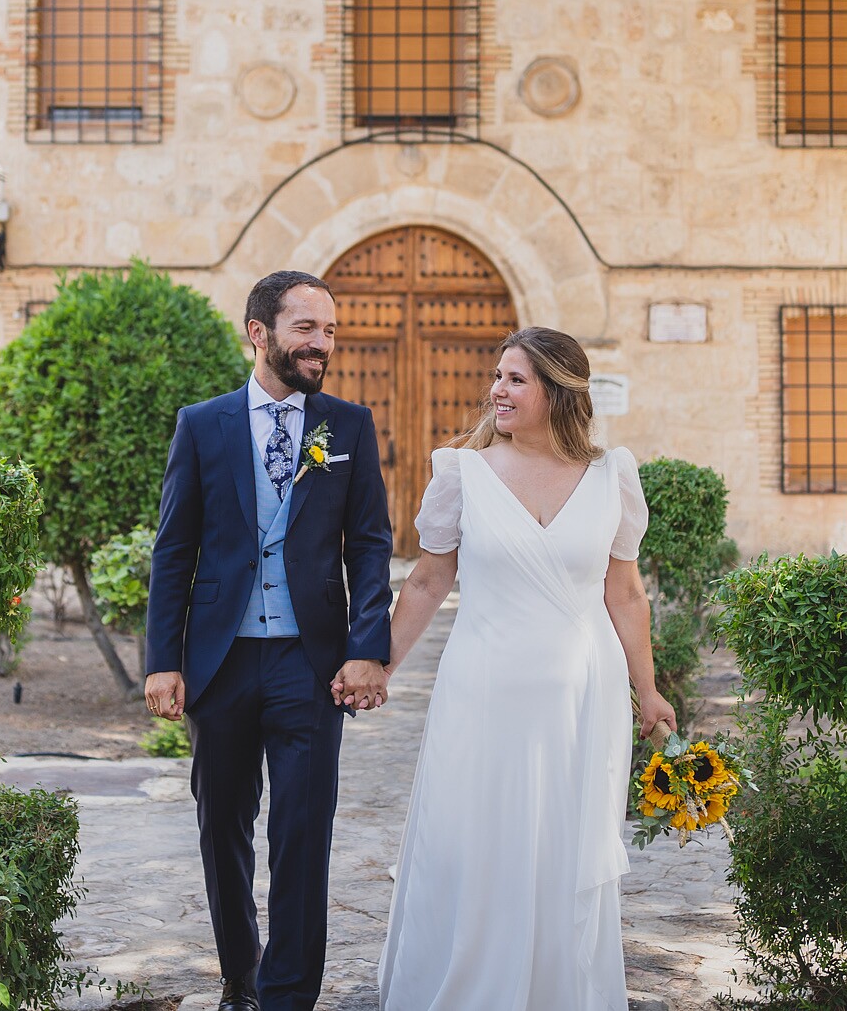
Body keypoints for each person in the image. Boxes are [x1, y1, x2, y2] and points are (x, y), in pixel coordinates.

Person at [375, 326, 678, 1011]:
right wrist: (380, 665)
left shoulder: (611, 476)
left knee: (565, 849)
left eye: (516, 379)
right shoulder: (464, 473)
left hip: (583, 698)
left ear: (558, 391)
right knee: (474, 838)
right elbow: (427, 580)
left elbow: (625, 592)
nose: (498, 390)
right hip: (482, 688)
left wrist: (649, 689)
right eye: (498, 376)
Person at [145, 269, 397, 1011]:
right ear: (260, 333)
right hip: (219, 662)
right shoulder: (203, 424)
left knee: (302, 833)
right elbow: (174, 550)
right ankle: (240, 977)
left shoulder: (347, 426)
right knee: (222, 827)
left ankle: (287, 995)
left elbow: (371, 544)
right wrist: (162, 660)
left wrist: (367, 645)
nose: (322, 343)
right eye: (306, 328)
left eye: (330, 331)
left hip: (309, 663)